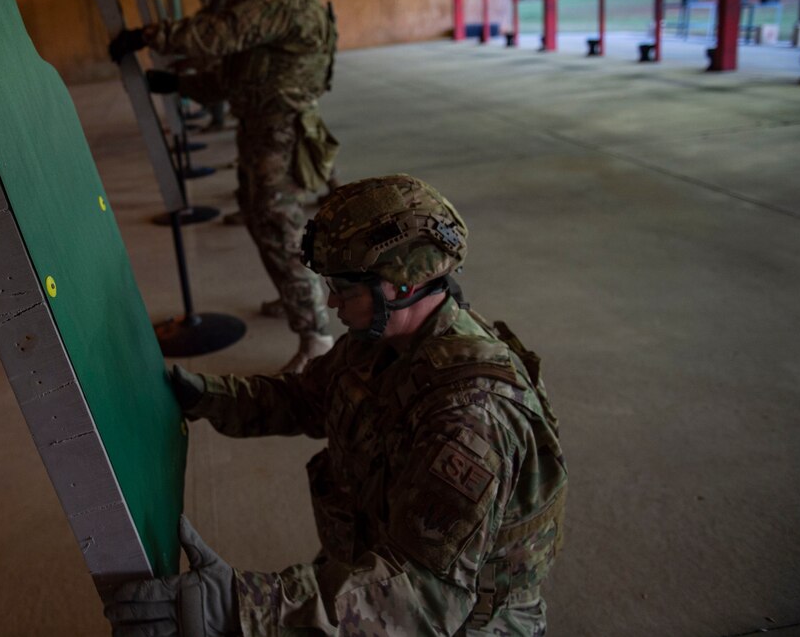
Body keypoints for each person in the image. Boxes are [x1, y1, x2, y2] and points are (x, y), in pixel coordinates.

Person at [105, 174, 569, 636]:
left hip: (458, 620)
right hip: (376, 564)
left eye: (344, 288)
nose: (329, 301)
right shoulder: (379, 343)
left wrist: (240, 607)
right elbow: (305, 398)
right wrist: (204, 395)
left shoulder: (470, 417)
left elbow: (421, 596)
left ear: (401, 287)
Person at [109, 0, 340, 373]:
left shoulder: (287, 4)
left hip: (281, 133)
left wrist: (149, 35)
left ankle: (317, 338)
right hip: (259, 131)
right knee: (261, 223)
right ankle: (296, 301)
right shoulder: (273, 6)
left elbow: (220, 33)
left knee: (280, 229)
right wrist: (179, 82)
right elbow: (236, 78)